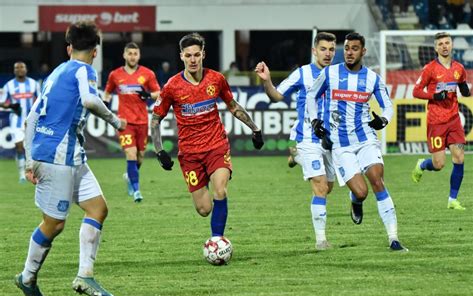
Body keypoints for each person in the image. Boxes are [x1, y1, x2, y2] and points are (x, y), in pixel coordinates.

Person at [15, 21, 126, 296]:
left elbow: (31, 118)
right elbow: (89, 100)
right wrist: (115, 120)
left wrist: (28, 159)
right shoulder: (83, 69)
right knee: (54, 223)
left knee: (98, 208)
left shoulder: (56, 72)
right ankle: (27, 277)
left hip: (67, 155)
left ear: (68, 48)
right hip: (56, 158)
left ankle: (84, 275)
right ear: (95, 51)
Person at [150, 32, 264, 240]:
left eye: (196, 55)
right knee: (204, 209)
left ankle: (217, 240)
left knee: (220, 190)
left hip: (216, 146)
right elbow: (155, 120)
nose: (193, 59)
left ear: (203, 54)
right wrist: (159, 151)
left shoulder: (216, 79)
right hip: (190, 154)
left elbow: (233, 107)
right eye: (188, 55)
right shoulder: (172, 86)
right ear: (182, 56)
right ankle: (215, 230)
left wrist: (255, 129)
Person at [307, 32, 407, 251]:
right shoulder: (330, 73)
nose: (349, 52)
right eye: (346, 47)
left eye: (354, 48)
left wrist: (383, 119)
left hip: (366, 139)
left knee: (378, 180)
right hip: (341, 145)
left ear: (363, 51)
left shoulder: (372, 78)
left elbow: (387, 105)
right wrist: (315, 120)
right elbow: (311, 96)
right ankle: (356, 199)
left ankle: (394, 238)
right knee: (361, 192)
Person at [254, 32, 337, 251]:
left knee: (328, 187)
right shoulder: (302, 73)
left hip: (329, 140)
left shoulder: (339, 75)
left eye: (331, 49)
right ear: (314, 51)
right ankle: (321, 240)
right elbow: (277, 96)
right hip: (306, 137)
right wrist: (267, 81)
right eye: (323, 49)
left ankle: (294, 156)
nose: (327, 53)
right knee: (319, 187)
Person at [412, 32, 470, 210]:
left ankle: (453, 199)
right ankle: (422, 164)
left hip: (453, 120)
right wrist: (434, 96)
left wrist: (465, 89)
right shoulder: (430, 69)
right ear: (436, 48)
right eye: (441, 44)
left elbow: (462, 85)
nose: (445, 46)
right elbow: (416, 91)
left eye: (447, 43)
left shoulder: (459, 68)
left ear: (451, 45)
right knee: (438, 164)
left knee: (459, 158)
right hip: (436, 122)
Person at [103, 42, 160, 202]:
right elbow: (107, 93)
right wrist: (106, 109)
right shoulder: (115, 75)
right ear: (124, 55)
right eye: (130, 53)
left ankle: (129, 176)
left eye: (135, 54)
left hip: (142, 121)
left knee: (140, 157)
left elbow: (159, 93)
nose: (132, 56)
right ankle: (136, 190)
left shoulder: (147, 74)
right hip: (124, 122)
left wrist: (147, 95)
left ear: (139, 55)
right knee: (131, 153)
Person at [0, 61, 40, 183]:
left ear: (26, 69)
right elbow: (2, 102)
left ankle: (35, 172)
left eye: (21, 67)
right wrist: (11, 105)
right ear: (14, 71)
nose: (19, 69)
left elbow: (40, 100)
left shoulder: (34, 84)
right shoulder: (9, 86)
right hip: (16, 120)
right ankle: (22, 174)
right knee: (19, 147)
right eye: (16, 68)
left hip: (31, 120)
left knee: (33, 148)